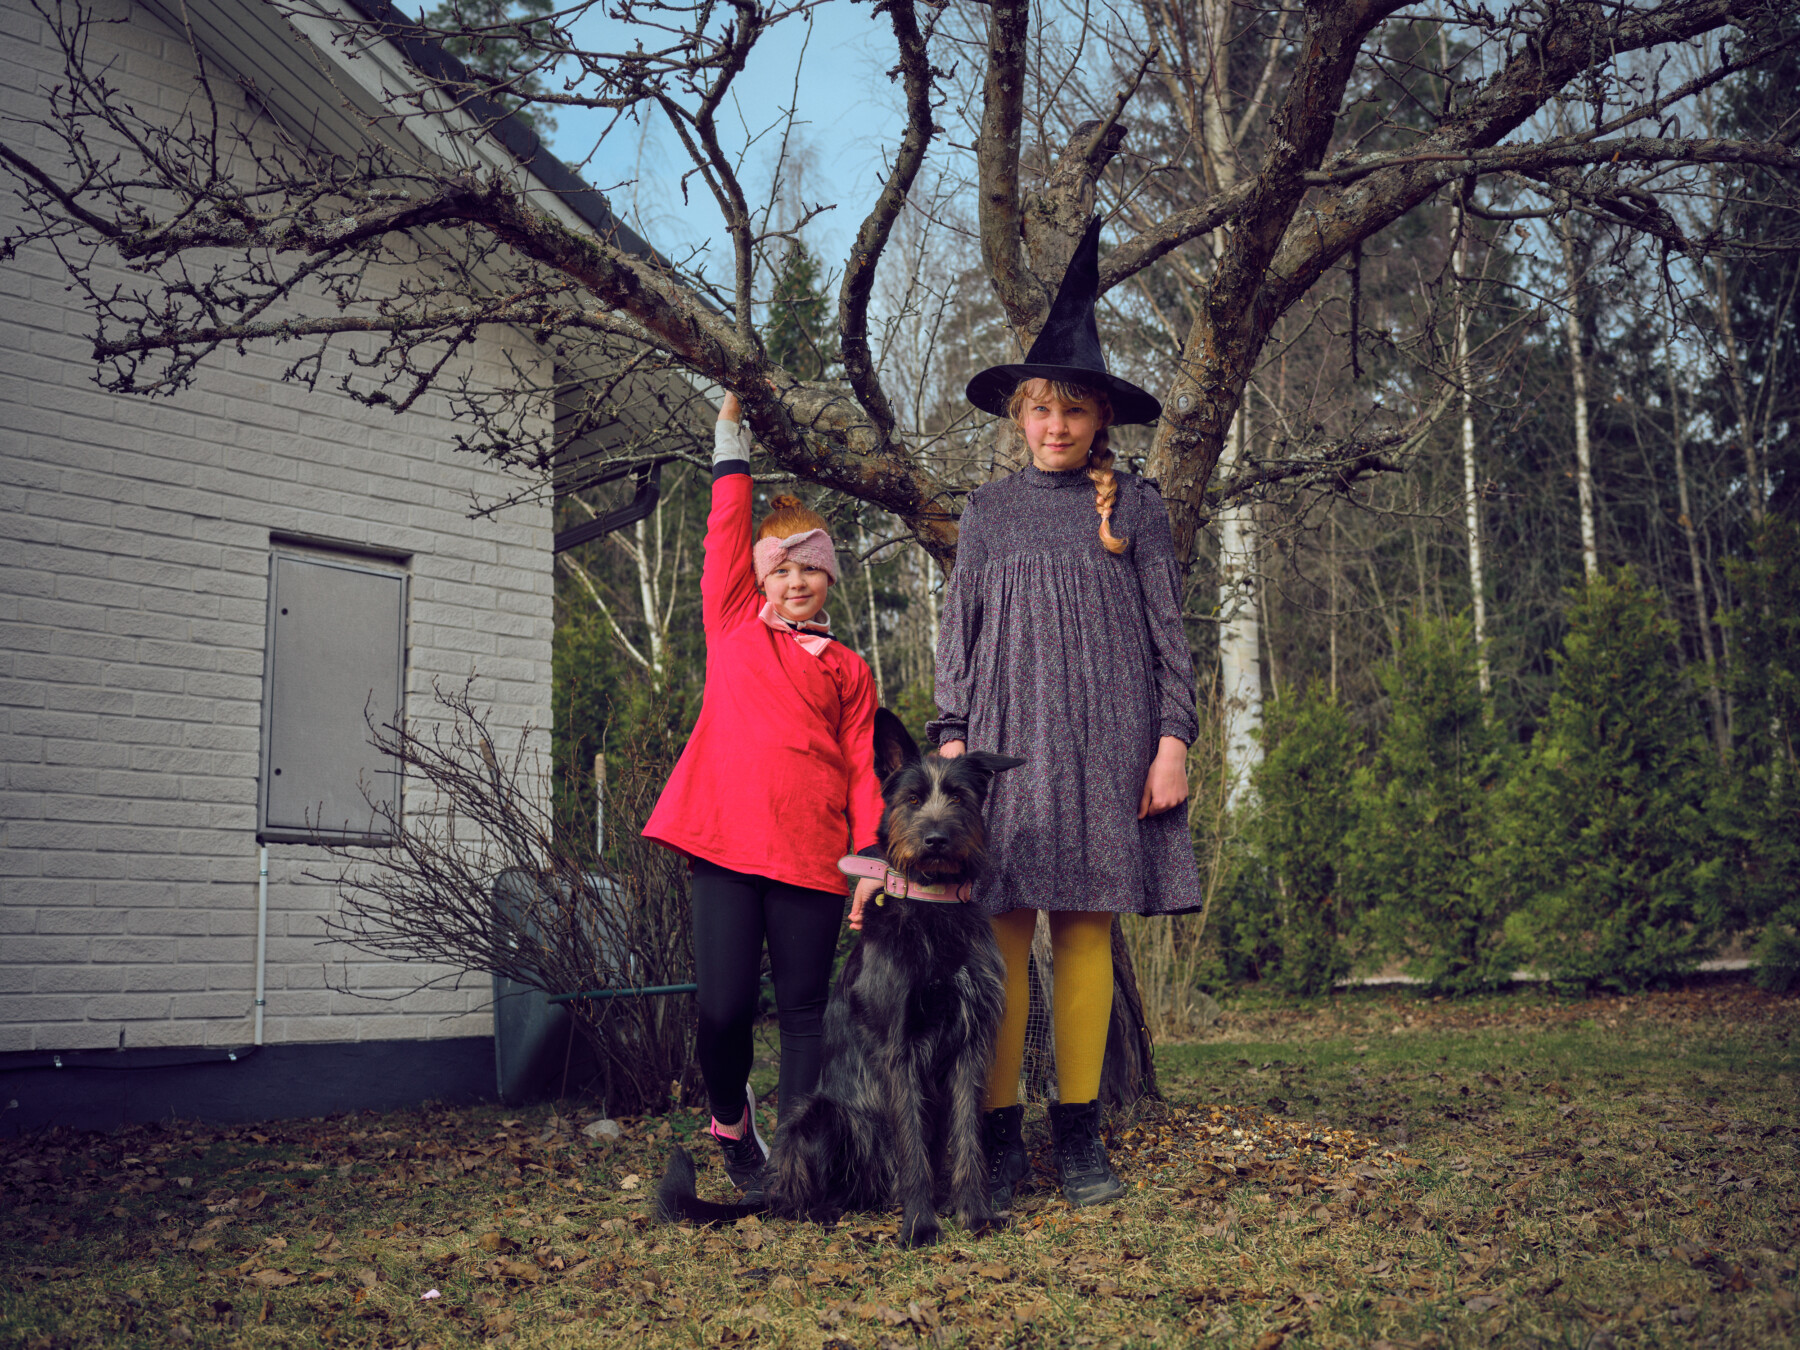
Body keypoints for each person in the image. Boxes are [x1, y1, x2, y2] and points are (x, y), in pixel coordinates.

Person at [926, 218, 1204, 1208]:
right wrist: (954, 744)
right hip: (1005, 754)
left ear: (1098, 420)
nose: (1056, 427)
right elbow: (956, 636)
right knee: (1002, 938)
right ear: (1021, 415)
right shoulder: (990, 513)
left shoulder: (1137, 506)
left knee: (1086, 933)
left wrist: (1172, 743)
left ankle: (1078, 1139)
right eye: (1042, 410)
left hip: (1108, 749)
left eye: (1074, 411)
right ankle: (999, 1142)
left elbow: (1173, 636)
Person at [643, 394, 885, 1194]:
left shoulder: (849, 668)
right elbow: (723, 536)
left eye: (811, 567)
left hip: (814, 858)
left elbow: (862, 768)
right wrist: (729, 442)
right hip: (725, 842)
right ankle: (731, 1121)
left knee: (808, 1015)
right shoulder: (733, 624)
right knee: (722, 1012)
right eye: (782, 567)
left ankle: (796, 1164)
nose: (797, 581)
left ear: (829, 577)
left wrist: (873, 860)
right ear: (762, 578)